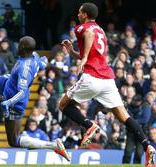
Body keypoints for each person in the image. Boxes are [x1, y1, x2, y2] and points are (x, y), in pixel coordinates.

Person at [59, 3, 155, 166]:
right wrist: (73, 52)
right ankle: (148, 147)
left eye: (80, 11)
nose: (78, 13)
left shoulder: (82, 28)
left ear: (85, 14)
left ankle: (89, 125)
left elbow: (88, 36)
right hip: (107, 79)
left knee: (63, 105)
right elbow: (90, 54)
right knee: (125, 117)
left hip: (92, 77)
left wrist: (83, 58)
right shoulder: (101, 30)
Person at [0, 36, 70, 161]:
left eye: (20, 45)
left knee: (13, 141)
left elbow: (21, 91)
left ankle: (53, 145)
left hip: (15, 101)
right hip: (8, 83)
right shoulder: (34, 56)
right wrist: (42, 63)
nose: (17, 47)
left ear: (24, 48)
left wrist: (8, 103)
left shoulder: (24, 69)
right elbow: (43, 61)